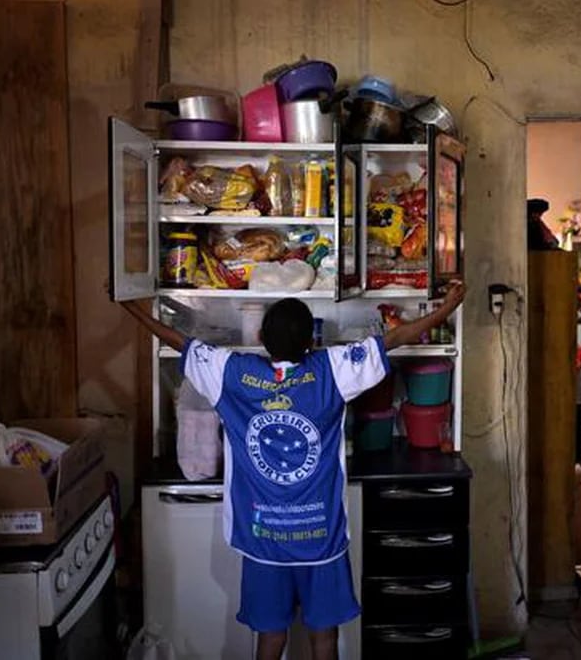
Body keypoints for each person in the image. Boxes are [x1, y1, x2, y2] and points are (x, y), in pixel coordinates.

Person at [121, 282, 466, 660]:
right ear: (311, 342)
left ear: (260, 337)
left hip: (263, 539)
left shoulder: (232, 373)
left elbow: (179, 342)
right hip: (322, 538)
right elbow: (394, 339)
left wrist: (132, 308)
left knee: (270, 640)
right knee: (324, 639)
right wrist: (444, 308)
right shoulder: (330, 369)